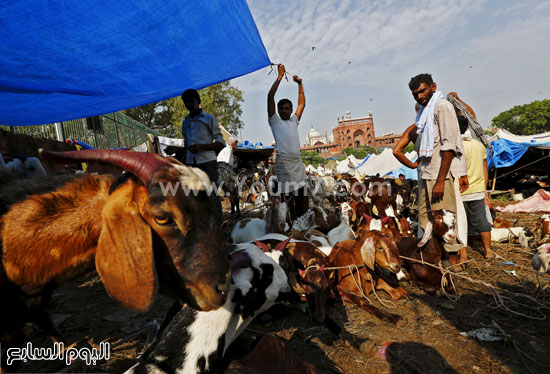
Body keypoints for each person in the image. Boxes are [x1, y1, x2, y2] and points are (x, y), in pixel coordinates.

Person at [408, 74, 469, 262]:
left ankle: (453, 262)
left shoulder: (442, 106)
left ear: (433, 87)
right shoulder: (424, 111)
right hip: (427, 172)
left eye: (422, 91)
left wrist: (441, 181)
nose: (419, 97)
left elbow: (448, 145)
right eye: (415, 94)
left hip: (439, 174)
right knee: (427, 220)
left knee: (445, 218)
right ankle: (433, 259)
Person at [450, 93, 496, 259]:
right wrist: (484, 190)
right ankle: (488, 251)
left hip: (459, 192)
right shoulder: (478, 145)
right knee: (481, 222)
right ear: (468, 128)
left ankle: (463, 255)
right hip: (477, 190)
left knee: (460, 223)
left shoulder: (452, 147)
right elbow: (485, 171)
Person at [267, 64, 308, 219]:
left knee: (302, 200)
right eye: (281, 108)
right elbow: (270, 97)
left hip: (297, 164)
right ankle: (289, 228)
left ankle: (303, 226)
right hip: (284, 164)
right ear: (278, 111)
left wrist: (300, 84)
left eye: (287, 108)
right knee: (287, 202)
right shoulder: (275, 122)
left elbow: (302, 104)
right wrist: (279, 77)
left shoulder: (293, 121)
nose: (284, 110)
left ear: (291, 110)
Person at [181, 88, 225, 221]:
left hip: (207, 163)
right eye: (186, 102)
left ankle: (218, 227)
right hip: (191, 164)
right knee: (194, 196)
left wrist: (201, 148)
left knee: (212, 195)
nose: (189, 104)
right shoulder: (185, 123)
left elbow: (220, 143)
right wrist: (178, 150)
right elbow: (186, 144)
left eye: (192, 101)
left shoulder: (209, 119)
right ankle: (202, 227)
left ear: (199, 101)